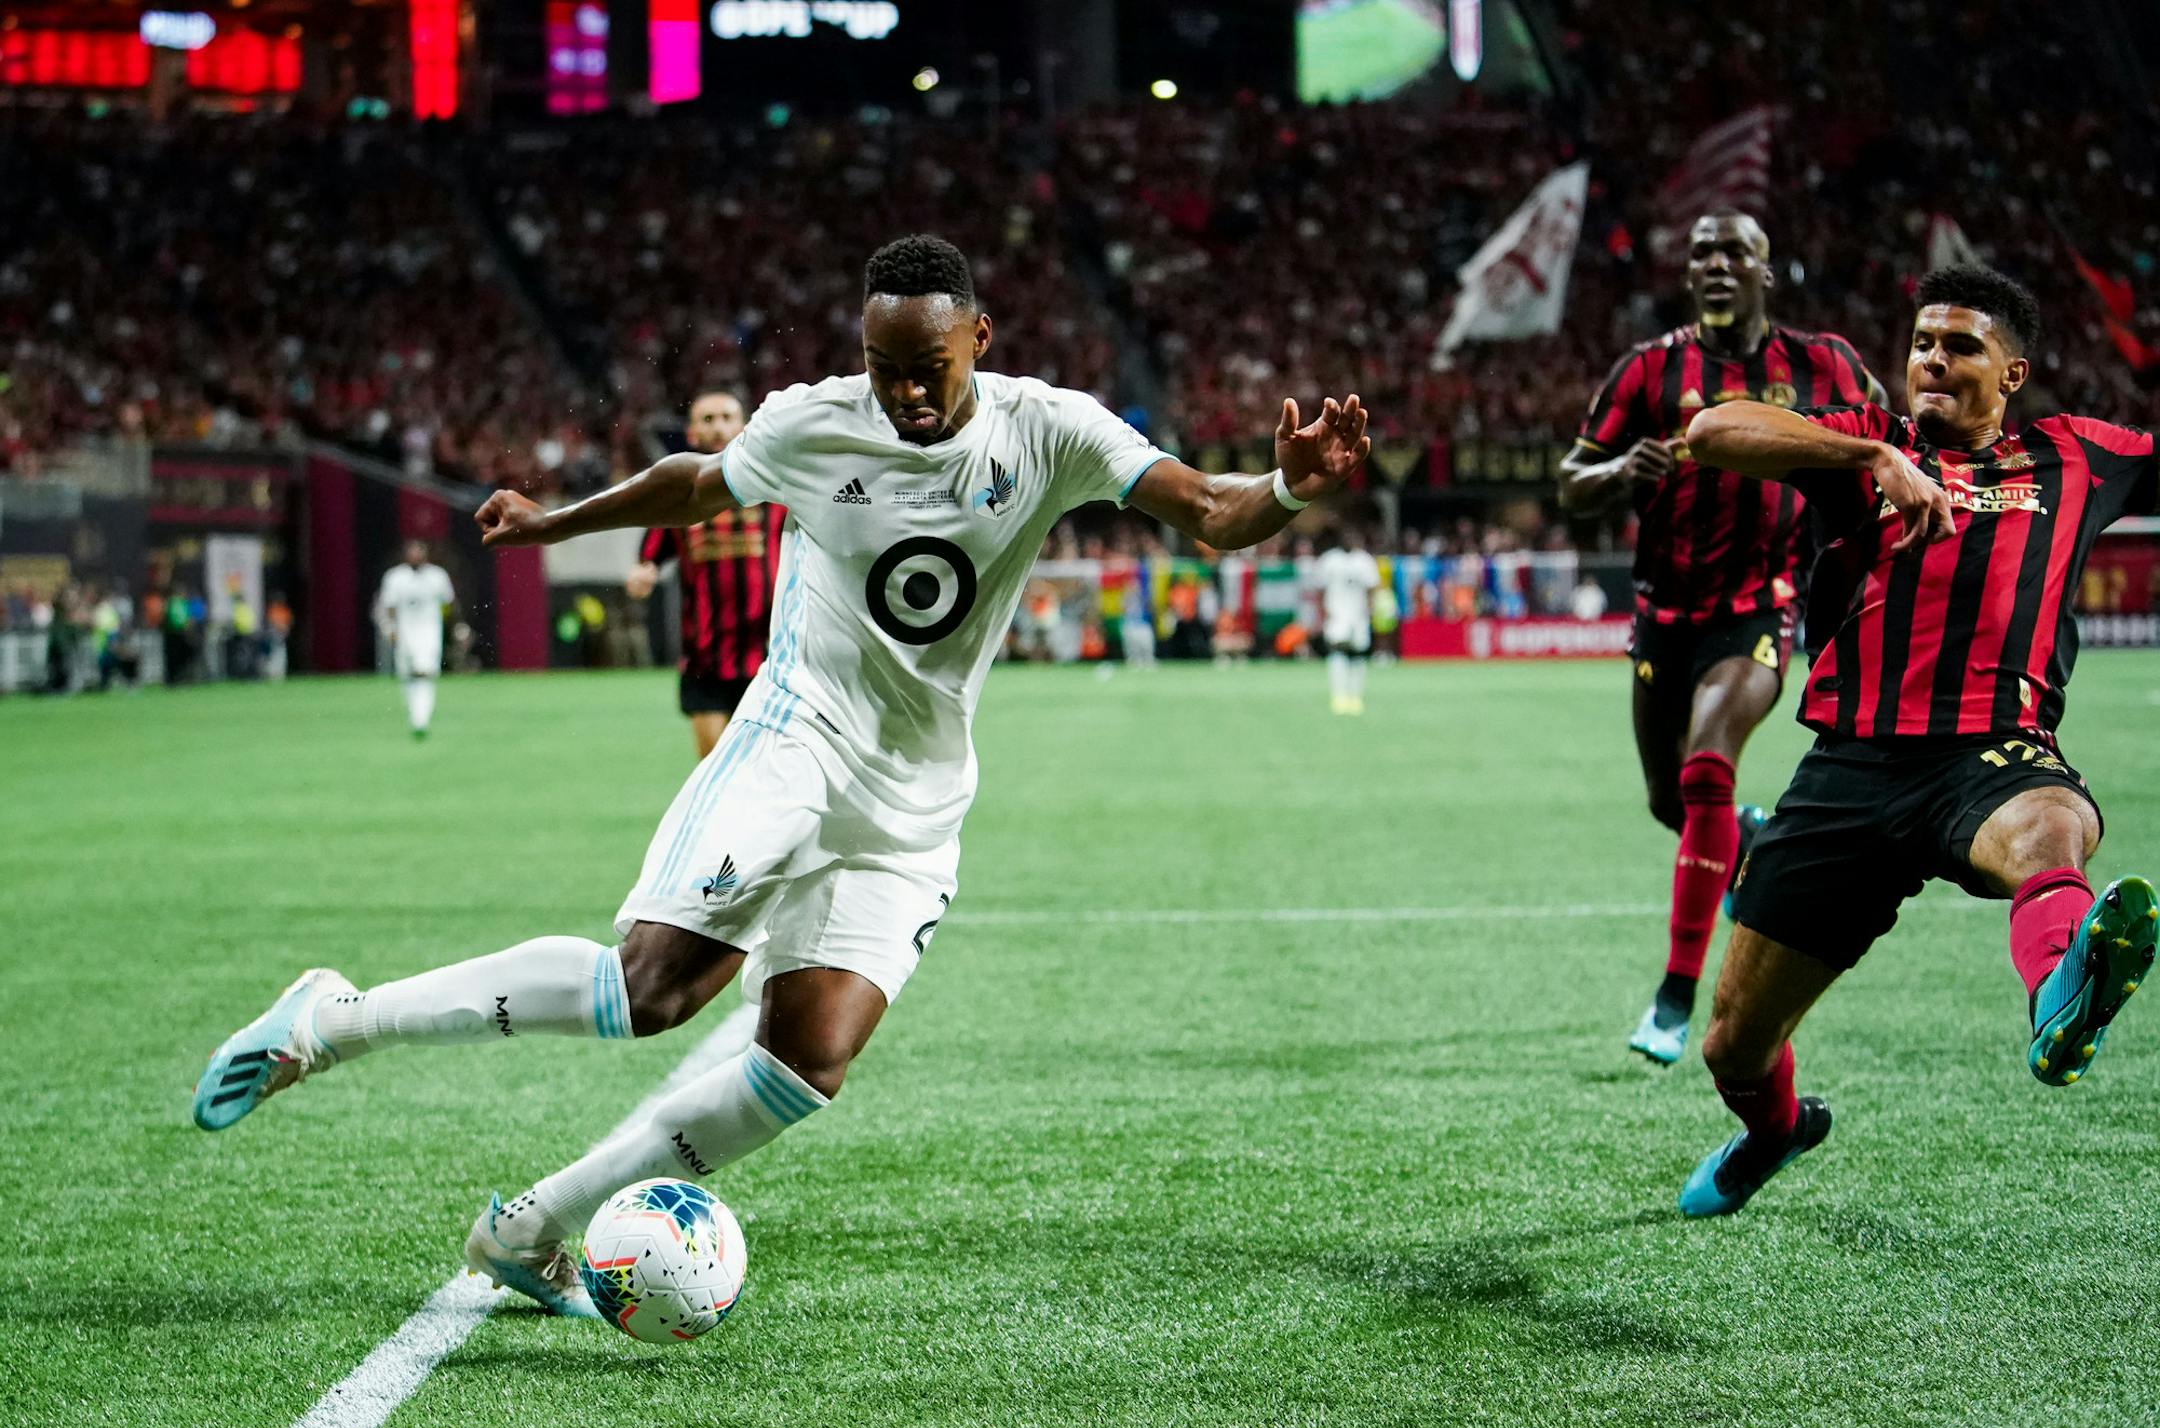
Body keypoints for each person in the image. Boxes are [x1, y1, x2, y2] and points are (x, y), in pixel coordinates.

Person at [190, 234, 1370, 1314]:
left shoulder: (1048, 427)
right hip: (793, 743)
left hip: (916, 802)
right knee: (646, 991)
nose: (905, 391)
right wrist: (557, 526)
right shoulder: (815, 422)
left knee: (808, 1062)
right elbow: (693, 483)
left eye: (930, 368)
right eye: (883, 363)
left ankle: (533, 1227)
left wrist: (1292, 490)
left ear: (981, 342)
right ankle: (333, 1020)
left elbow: (1213, 511)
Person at [1673, 264, 2157, 1217]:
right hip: (1849, 767)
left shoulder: (2079, 457)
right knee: (1733, 1043)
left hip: (1990, 748)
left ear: (2012, 374)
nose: (1933, 360)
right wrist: (1867, 464)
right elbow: (1710, 429)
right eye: (1923, 343)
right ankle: (1776, 1129)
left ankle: (2062, 990)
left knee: (2050, 823)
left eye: (1961, 345)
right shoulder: (1866, 440)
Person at [1557, 210, 1887, 1067]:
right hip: (1663, 612)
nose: (1714, 263)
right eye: (1701, 250)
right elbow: (1570, 484)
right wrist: (1618, 471)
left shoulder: (1824, 365)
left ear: (1766, 273)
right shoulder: (1650, 368)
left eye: (1734, 250)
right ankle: (1753, 843)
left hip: (1762, 606)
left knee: (1708, 763)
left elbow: (1892, 442)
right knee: (1674, 803)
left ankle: (1673, 998)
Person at [626, 390, 789, 758]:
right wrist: (643, 572)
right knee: (715, 766)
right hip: (706, 657)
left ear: (745, 426)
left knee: (766, 766)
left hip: (769, 657)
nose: (719, 427)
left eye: (727, 417)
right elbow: (649, 555)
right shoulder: (679, 498)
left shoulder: (775, 489)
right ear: (691, 434)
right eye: (708, 419)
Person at [374, 540, 457, 739]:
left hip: (428, 632)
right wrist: (390, 628)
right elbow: (390, 606)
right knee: (407, 677)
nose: (415, 556)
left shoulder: (437, 576)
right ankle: (416, 716)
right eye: (411, 552)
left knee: (424, 673)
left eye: (418, 552)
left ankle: (421, 720)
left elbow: (448, 603)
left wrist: (449, 625)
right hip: (405, 633)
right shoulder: (395, 577)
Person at [1314, 527, 1382, 714]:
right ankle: (1338, 696)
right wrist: (1323, 612)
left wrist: (1370, 611)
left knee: (1358, 655)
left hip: (1358, 615)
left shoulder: (1364, 561)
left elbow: (1371, 589)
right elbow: (1320, 589)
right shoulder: (1329, 560)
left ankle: (1355, 696)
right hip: (1336, 614)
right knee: (1337, 652)